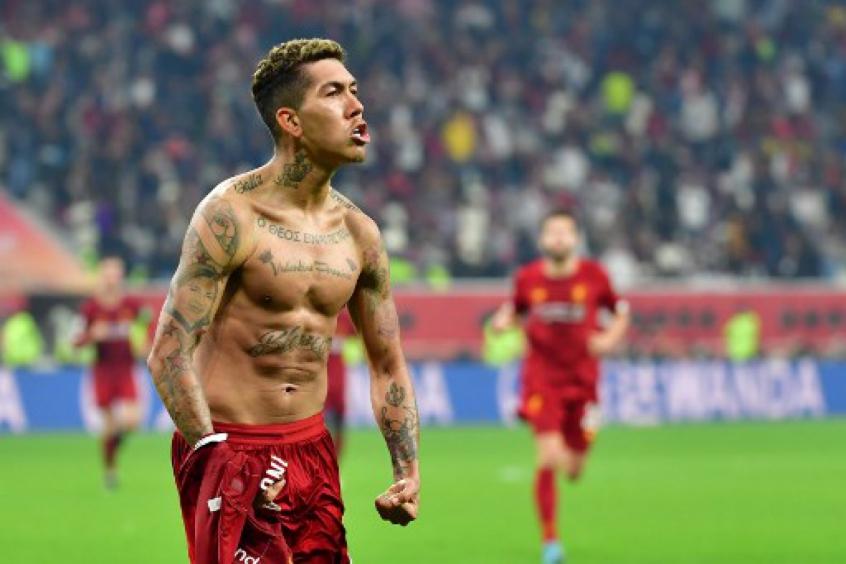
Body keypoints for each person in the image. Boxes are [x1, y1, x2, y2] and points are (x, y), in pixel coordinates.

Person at [147, 38, 420, 564]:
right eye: (334, 93)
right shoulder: (230, 216)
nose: (356, 105)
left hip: (313, 452)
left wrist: (406, 471)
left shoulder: (361, 234)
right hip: (232, 448)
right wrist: (214, 458)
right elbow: (169, 351)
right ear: (291, 121)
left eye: (354, 90)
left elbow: (388, 364)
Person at [491, 210, 629, 564]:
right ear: (542, 240)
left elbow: (620, 310)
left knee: (575, 469)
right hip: (542, 380)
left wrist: (610, 339)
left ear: (576, 239)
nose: (558, 238)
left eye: (565, 232)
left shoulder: (595, 276)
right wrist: (503, 320)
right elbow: (515, 308)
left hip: (583, 382)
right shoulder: (528, 278)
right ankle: (550, 541)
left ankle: (582, 441)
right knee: (549, 457)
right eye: (552, 232)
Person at [75, 256, 143, 489]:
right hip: (102, 370)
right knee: (109, 425)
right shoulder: (91, 308)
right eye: (108, 274)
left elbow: (148, 324)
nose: (112, 279)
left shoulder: (130, 304)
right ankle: (110, 469)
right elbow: (76, 341)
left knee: (132, 421)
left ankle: (112, 449)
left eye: (116, 274)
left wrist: (145, 341)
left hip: (125, 368)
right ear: (101, 277)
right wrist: (92, 335)